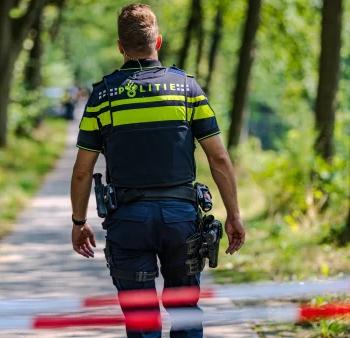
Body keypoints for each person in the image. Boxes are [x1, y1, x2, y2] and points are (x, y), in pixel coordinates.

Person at [70, 4, 245, 337]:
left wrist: (79, 223)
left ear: (121, 46)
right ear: (158, 42)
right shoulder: (187, 90)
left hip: (128, 222)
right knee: (184, 314)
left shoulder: (103, 96)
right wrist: (234, 214)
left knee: (142, 321)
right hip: (181, 221)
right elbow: (219, 158)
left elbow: (82, 172)